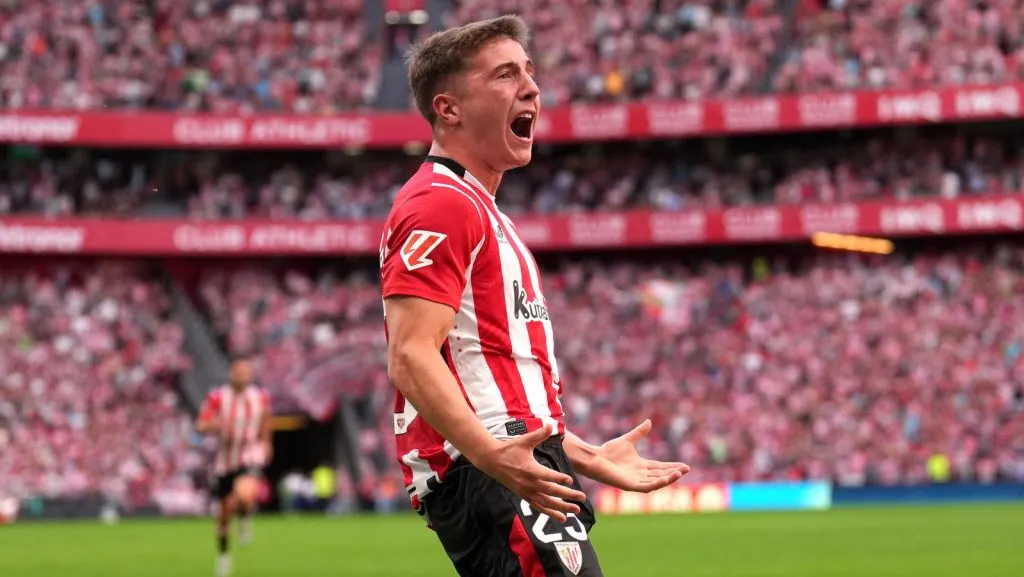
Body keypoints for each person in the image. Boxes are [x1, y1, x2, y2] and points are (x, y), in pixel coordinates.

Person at [379, 15, 691, 577]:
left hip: (510, 459)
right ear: (448, 109)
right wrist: (488, 454)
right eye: (504, 75)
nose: (531, 87)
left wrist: (588, 456)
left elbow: (495, 387)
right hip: (489, 469)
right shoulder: (440, 203)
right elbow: (410, 353)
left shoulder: (482, 210)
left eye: (528, 71)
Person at [195, 353, 273, 576]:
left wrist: (267, 443)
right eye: (239, 371)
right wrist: (215, 425)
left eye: (247, 372)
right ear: (231, 373)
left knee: (245, 492)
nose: (243, 376)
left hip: (249, 454)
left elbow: (267, 420)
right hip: (224, 460)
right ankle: (224, 556)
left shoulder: (260, 397)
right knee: (223, 514)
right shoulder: (218, 397)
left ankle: (246, 517)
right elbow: (200, 425)